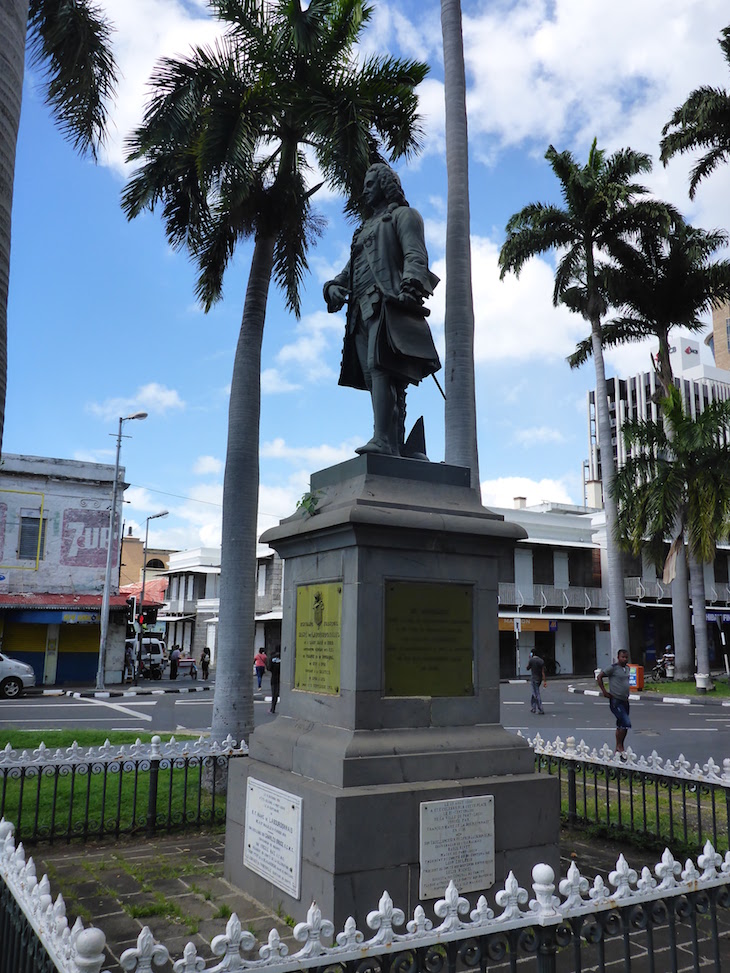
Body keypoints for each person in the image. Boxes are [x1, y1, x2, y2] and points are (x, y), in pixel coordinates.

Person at [323, 163, 441, 457]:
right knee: (373, 375)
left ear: (386, 185)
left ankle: (384, 440)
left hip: (386, 303)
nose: (365, 188)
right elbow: (346, 273)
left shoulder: (403, 216)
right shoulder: (363, 230)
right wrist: (332, 288)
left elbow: (415, 255)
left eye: (371, 182)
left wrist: (411, 289)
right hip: (359, 310)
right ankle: (394, 442)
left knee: (381, 367)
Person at [596, 649, 632, 756]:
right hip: (616, 700)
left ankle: (619, 747)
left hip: (625, 700)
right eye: (622, 657)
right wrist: (604, 692)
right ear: (618, 657)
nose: (624, 659)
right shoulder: (612, 668)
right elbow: (599, 677)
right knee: (626, 722)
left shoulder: (627, 668)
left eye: (626, 657)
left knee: (621, 724)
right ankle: (619, 746)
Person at [268, 645, 281, 714]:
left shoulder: (272, 658)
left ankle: (273, 708)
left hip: (274, 678)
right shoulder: (283, 657)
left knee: (274, 694)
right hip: (281, 678)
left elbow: (269, 668)